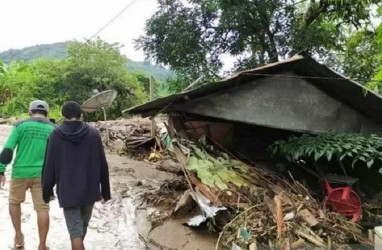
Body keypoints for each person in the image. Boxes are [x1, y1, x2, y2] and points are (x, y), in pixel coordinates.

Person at [42, 101, 111, 250]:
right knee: (81, 229)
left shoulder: (55, 135)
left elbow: (49, 166)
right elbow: (102, 164)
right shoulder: (93, 133)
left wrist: (47, 191)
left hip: (68, 192)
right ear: (80, 115)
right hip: (90, 189)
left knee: (75, 232)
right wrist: (105, 191)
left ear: (63, 115)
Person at [0, 100, 55, 250]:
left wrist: (1, 170)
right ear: (47, 114)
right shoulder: (53, 128)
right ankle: (42, 245)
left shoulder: (20, 125)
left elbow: (7, 150)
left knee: (14, 202)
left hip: (20, 172)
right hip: (43, 175)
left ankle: (18, 237)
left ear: (30, 112)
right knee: (43, 209)